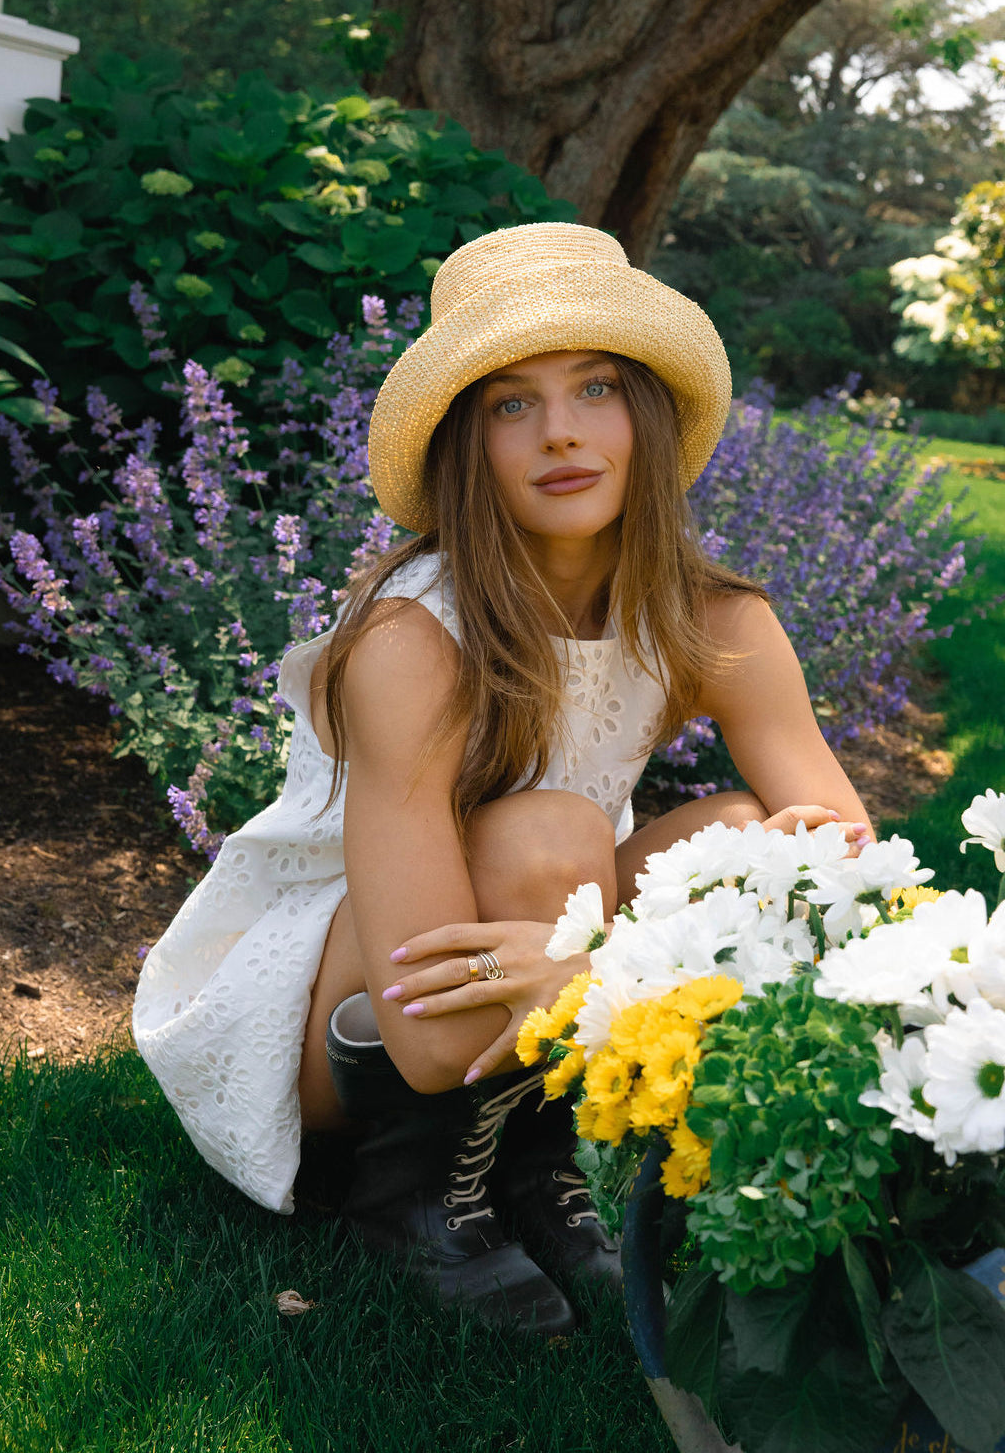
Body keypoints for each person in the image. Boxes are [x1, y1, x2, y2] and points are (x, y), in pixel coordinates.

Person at [133, 222, 873, 1338]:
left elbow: (845, 883)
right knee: (548, 840)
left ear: (649, 415)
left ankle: (532, 1164)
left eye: (595, 388)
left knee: (744, 833)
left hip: (529, 943)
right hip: (333, 1012)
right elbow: (428, 1035)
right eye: (510, 404)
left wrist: (635, 935)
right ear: (464, 447)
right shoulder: (412, 641)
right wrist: (614, 961)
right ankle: (415, 1193)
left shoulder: (720, 622)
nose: (561, 433)